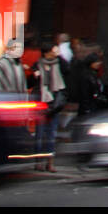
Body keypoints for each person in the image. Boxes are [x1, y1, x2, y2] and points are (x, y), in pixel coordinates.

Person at [33, 37, 67, 171]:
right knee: (40, 134)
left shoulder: (59, 64)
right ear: (46, 52)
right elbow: (33, 82)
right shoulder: (37, 65)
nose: (55, 52)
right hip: (41, 102)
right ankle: (38, 161)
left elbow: (67, 69)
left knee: (51, 134)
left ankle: (50, 162)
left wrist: (59, 57)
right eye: (53, 50)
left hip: (54, 103)